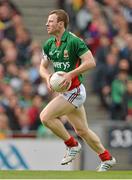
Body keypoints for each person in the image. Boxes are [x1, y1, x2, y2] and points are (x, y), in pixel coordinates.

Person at [39, 9, 116, 171]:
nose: (47, 24)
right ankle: (107, 158)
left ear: (61, 24)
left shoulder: (74, 41)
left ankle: (72, 145)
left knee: (45, 117)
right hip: (66, 92)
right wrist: (47, 78)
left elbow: (90, 62)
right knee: (82, 130)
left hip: (75, 91)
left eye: (51, 21)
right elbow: (42, 67)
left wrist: (70, 74)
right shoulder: (49, 44)